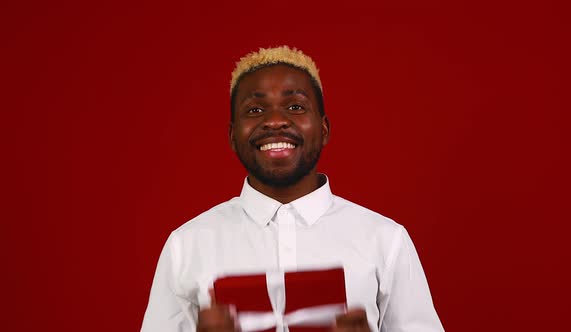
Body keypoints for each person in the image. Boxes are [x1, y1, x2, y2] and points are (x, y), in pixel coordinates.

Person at [141, 46, 444, 332]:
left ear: (324, 129)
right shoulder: (186, 246)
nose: (275, 121)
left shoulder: (385, 240)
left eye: (296, 106)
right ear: (233, 136)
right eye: (255, 109)